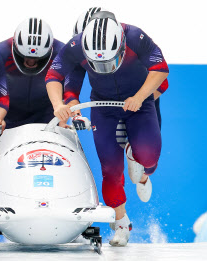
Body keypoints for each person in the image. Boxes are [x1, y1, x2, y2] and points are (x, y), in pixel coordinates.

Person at [45, 11, 169, 246]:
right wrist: (60, 105)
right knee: (110, 170)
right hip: (104, 108)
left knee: (150, 154)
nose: (104, 67)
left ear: (121, 46)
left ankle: (139, 161)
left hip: (138, 104)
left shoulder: (135, 36)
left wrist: (141, 96)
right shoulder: (76, 46)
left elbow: (161, 71)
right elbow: (56, 76)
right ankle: (121, 222)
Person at [72, 7, 169, 189]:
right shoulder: (77, 52)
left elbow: (162, 84)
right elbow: (70, 84)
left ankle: (143, 175)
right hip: (112, 105)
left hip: (141, 101)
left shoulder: (133, 44)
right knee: (112, 165)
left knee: (149, 164)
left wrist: (138, 100)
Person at [0, 17, 85, 130]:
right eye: (25, 57)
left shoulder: (61, 51)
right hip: (10, 115)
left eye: (38, 59)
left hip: (49, 115)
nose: (31, 63)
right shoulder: (0, 52)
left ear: (49, 51)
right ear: (15, 48)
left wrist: (61, 121)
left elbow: (68, 90)